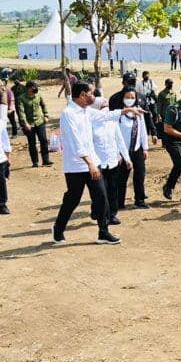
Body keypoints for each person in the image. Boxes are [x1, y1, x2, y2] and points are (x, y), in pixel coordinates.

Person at [52, 82, 139, 245]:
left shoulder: (86, 111)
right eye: (91, 93)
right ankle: (58, 227)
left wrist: (126, 110)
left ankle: (103, 232)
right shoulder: (68, 114)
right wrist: (89, 164)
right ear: (83, 95)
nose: (94, 96)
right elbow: (76, 142)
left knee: (101, 197)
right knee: (73, 199)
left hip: (93, 162)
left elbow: (104, 116)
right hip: (76, 166)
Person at [91, 93, 131, 224]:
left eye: (107, 106)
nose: (106, 109)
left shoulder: (112, 122)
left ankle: (112, 214)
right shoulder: (91, 124)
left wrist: (127, 158)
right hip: (98, 164)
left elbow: (119, 140)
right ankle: (98, 211)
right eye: (103, 106)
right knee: (101, 192)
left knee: (113, 189)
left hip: (113, 162)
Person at [118, 87, 150, 208]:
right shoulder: (118, 114)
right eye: (127, 97)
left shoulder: (138, 113)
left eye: (132, 97)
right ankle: (119, 203)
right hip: (123, 151)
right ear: (122, 98)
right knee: (122, 178)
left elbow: (143, 131)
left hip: (137, 149)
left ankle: (140, 201)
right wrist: (117, 152)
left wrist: (145, 148)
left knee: (140, 175)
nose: (130, 99)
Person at [17, 81, 52, 167]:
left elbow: (43, 105)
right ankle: (35, 162)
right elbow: (21, 112)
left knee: (43, 140)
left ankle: (46, 160)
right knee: (32, 143)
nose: (36, 89)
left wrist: (46, 115)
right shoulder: (21, 98)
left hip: (40, 121)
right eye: (34, 87)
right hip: (29, 124)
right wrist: (25, 123)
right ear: (29, 88)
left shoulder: (38, 96)